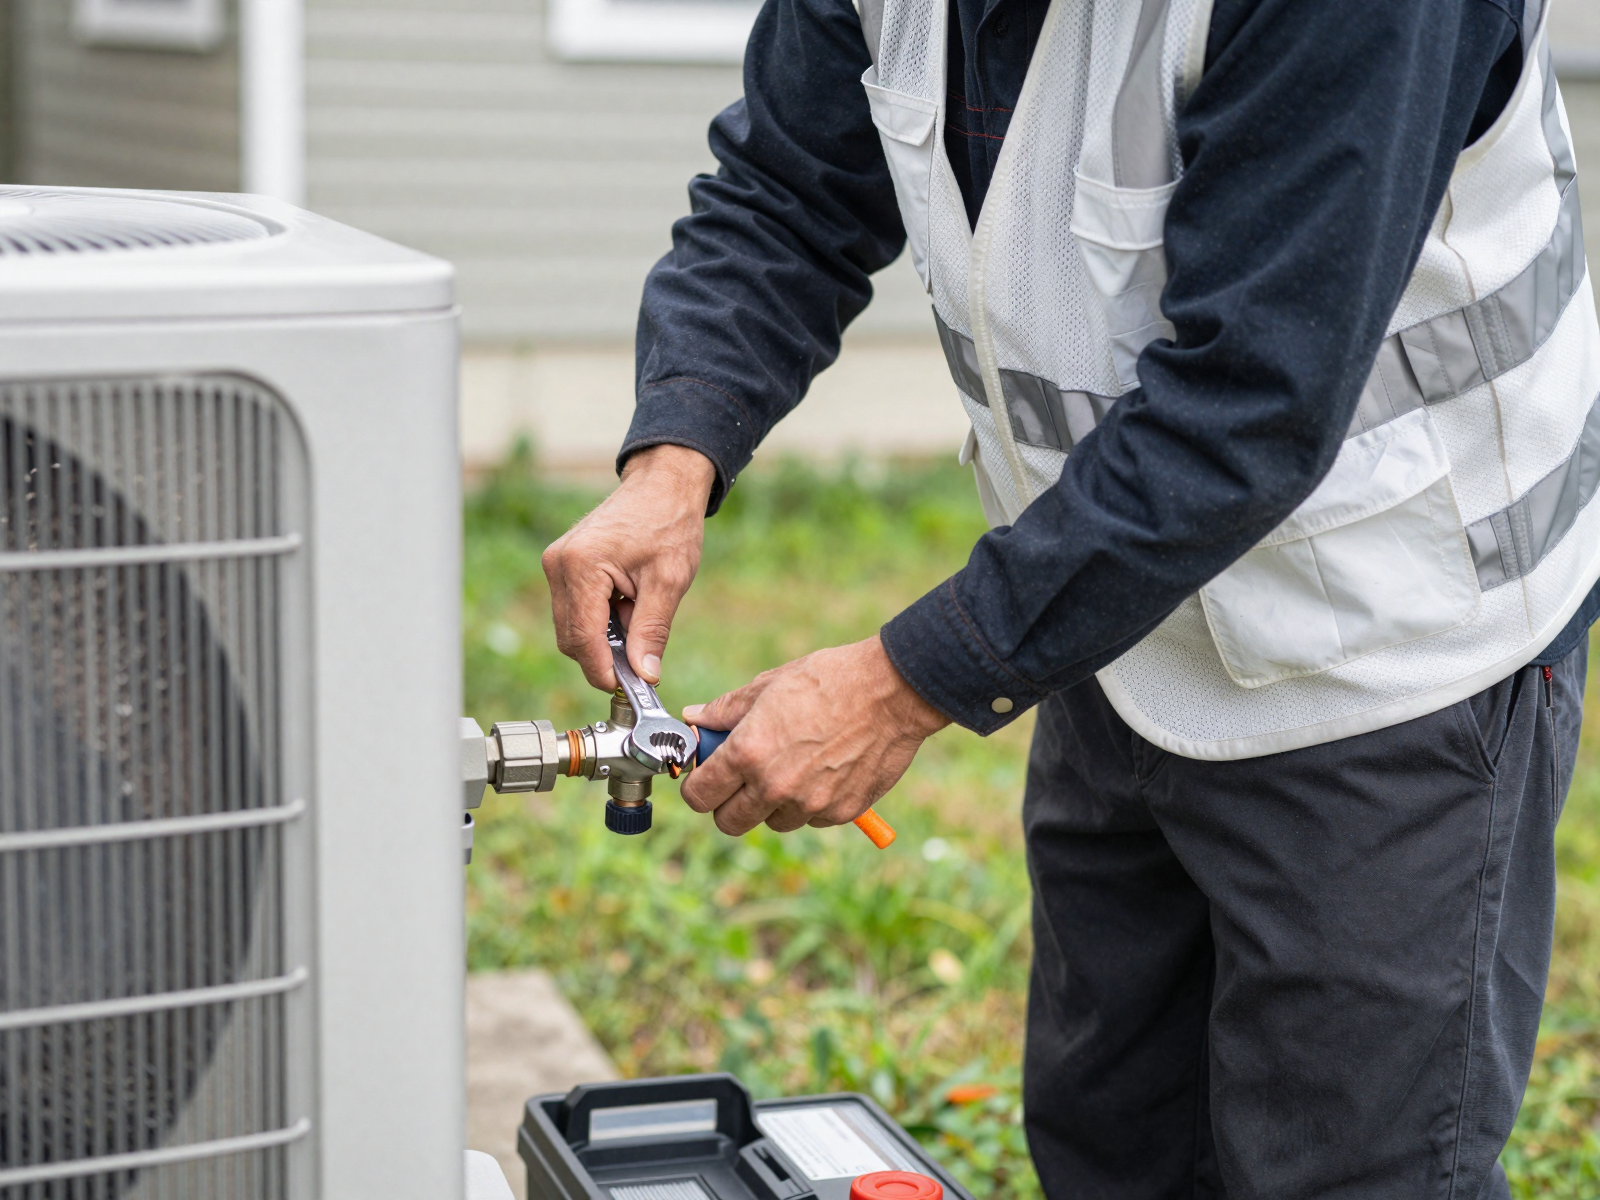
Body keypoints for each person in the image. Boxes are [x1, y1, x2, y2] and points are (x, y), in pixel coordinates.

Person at [540, 0, 1600, 1194]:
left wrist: (896, 688)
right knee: (1117, 1140)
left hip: (1387, 643)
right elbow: (790, 191)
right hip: (1108, 612)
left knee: (1349, 1165)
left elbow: (1252, 397)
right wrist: (674, 455)